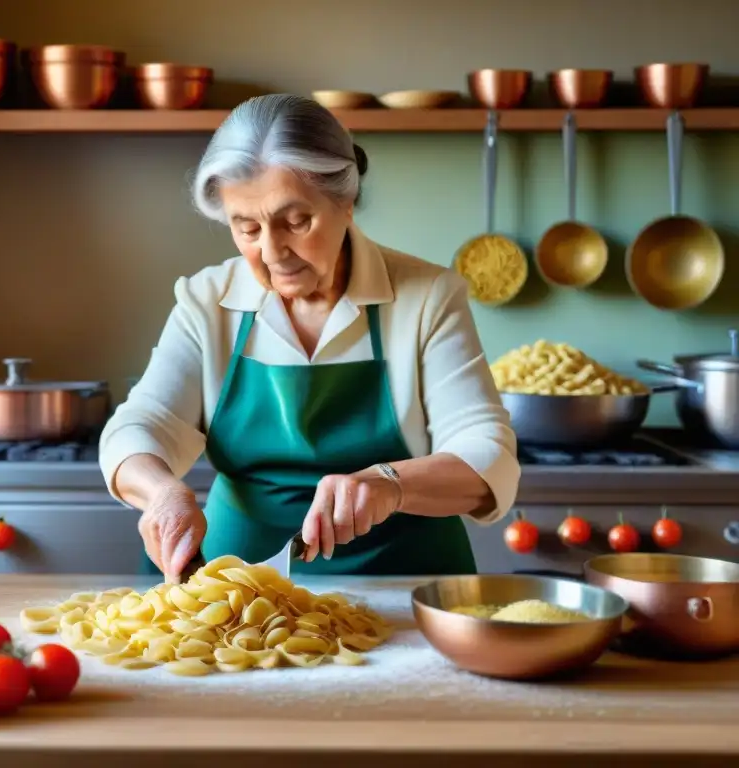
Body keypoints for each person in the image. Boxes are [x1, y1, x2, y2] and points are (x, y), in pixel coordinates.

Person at [98, 93, 520, 581]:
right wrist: (161, 492)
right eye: (247, 227)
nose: (273, 251)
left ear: (346, 201)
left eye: (296, 222)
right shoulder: (206, 301)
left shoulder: (427, 297)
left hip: (402, 584)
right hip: (238, 589)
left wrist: (388, 484)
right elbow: (140, 425)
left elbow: (487, 453)